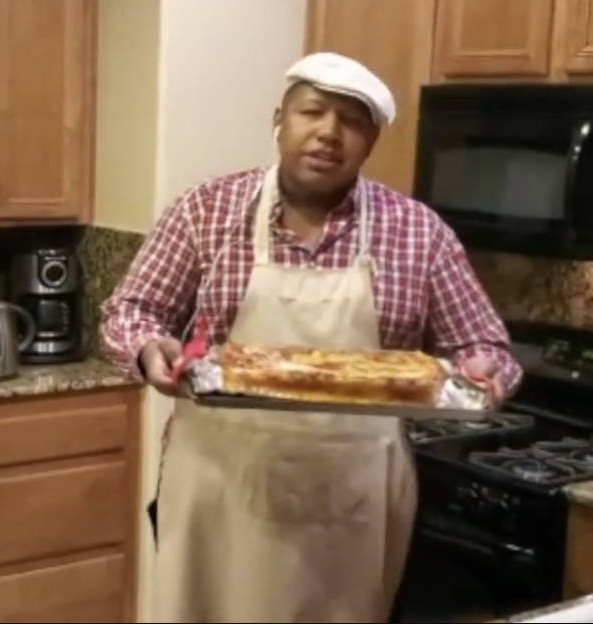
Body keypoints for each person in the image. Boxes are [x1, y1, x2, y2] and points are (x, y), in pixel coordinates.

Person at [99, 52, 524, 622]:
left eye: (351, 121)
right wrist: (149, 347)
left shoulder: (419, 233)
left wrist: (485, 372)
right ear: (280, 121)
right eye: (312, 112)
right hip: (219, 484)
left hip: (352, 498)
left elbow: (486, 348)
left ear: (371, 140)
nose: (328, 132)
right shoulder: (206, 211)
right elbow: (133, 310)